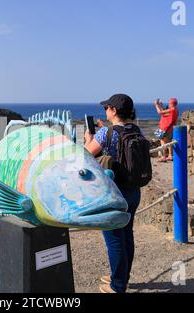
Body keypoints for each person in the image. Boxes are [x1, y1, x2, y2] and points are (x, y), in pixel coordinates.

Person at [84, 94, 142, 293]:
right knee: (127, 235)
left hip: (113, 194)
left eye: (106, 108)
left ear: (114, 110)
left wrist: (89, 139)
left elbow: (84, 155)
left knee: (115, 240)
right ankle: (122, 277)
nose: (105, 111)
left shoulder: (106, 133)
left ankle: (117, 286)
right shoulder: (135, 129)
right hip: (133, 191)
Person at [154, 98, 179, 162]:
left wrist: (156, 105)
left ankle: (163, 156)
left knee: (163, 142)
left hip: (166, 128)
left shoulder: (172, 109)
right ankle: (170, 155)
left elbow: (160, 112)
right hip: (169, 128)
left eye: (169, 103)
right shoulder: (175, 110)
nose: (168, 104)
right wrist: (161, 107)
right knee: (169, 142)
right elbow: (164, 114)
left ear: (171, 103)